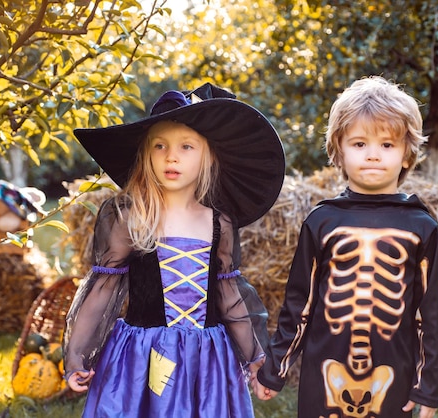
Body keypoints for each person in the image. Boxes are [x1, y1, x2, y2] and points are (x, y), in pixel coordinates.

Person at [62, 82, 285, 417]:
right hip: (142, 357)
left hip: (206, 361)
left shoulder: (218, 224)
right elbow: (102, 291)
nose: (172, 156)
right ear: (145, 154)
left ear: (208, 156)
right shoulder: (132, 218)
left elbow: (228, 295)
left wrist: (254, 357)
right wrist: (76, 353)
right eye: (160, 146)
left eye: (186, 146)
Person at [253, 76, 438, 418]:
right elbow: (299, 304)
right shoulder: (322, 221)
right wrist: (276, 367)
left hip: (392, 374)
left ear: (406, 154)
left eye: (387, 145)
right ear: (338, 149)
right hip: (324, 373)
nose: (373, 155)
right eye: (359, 144)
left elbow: (429, 316)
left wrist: (427, 386)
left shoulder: (422, 226)